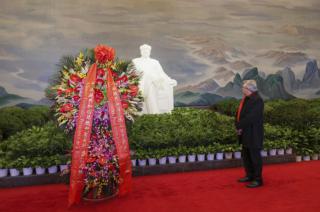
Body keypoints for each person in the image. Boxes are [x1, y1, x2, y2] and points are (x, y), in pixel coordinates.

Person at [132, 44, 177, 114]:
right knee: (139, 98)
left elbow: (161, 74)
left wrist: (170, 80)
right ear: (141, 51)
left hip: (151, 84)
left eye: (147, 50)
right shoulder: (135, 61)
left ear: (150, 51)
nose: (145, 51)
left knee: (152, 96)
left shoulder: (155, 62)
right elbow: (130, 73)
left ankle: (153, 114)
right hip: (139, 84)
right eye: (143, 50)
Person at [235, 80, 264, 188]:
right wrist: (237, 125)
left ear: (249, 89)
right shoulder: (246, 99)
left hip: (253, 133)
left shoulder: (257, 100)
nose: (242, 89)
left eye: (244, 87)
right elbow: (239, 113)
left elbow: (251, 117)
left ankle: (258, 179)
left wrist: (239, 126)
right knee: (246, 156)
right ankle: (249, 175)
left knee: (255, 157)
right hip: (245, 132)